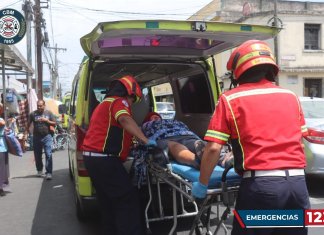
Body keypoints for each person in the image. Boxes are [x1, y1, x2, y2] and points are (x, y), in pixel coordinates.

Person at [192, 40, 310, 235]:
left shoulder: (230, 99)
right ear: (270, 68)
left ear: (238, 71)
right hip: (297, 185)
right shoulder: (291, 96)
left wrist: (202, 184)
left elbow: (213, 148)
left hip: (262, 189)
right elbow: (300, 140)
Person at [82, 75, 157, 235]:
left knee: (108, 201)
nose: (131, 105)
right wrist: (145, 139)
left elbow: (113, 131)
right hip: (103, 160)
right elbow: (124, 119)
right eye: (132, 100)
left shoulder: (105, 103)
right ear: (128, 94)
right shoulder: (119, 101)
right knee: (127, 200)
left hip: (92, 159)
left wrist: (130, 144)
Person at [26, 100, 56, 180]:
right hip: (36, 137)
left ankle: (49, 172)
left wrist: (47, 121)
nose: (39, 107)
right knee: (37, 155)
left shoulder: (48, 113)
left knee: (48, 154)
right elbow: (28, 124)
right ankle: (39, 170)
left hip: (47, 136)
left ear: (44, 105)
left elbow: (54, 123)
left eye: (41, 105)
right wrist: (26, 134)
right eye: (38, 106)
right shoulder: (33, 114)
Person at [0, 104, 8, 196]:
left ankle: (1, 187)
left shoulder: (1, 120)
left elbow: (2, 124)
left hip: (1, 147)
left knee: (2, 168)